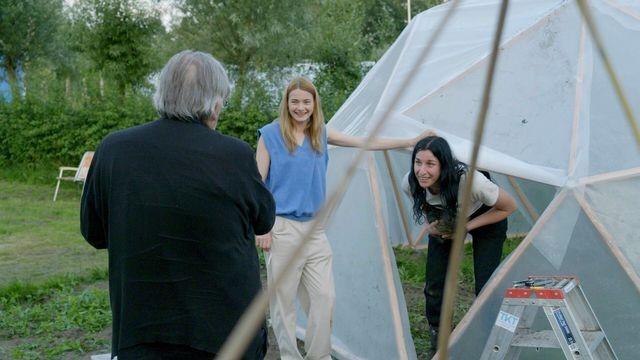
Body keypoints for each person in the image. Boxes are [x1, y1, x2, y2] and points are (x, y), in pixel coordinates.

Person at [80, 50, 276, 359]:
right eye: (222, 98)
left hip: (142, 328)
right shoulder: (233, 154)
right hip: (225, 333)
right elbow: (264, 220)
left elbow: (94, 232)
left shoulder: (114, 149)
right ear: (213, 102)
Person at [255, 76, 433, 360]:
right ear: (286, 104)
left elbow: (365, 141)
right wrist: (261, 227)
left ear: (314, 104)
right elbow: (256, 185)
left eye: (306, 102)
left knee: (324, 298)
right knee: (284, 303)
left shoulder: (321, 134)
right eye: (295, 102)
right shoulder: (270, 135)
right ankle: (289, 356)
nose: (300, 108)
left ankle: (318, 356)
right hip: (282, 227)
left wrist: (410, 141)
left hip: (314, 230)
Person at [402, 136, 518, 350]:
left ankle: (490, 342)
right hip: (449, 218)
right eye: (418, 162)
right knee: (435, 286)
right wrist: (432, 225)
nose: (422, 171)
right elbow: (426, 207)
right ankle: (439, 344)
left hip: (486, 215)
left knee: (485, 286)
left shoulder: (470, 181)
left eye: (430, 164)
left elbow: (509, 206)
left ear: (443, 165)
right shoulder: (411, 183)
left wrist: (465, 227)